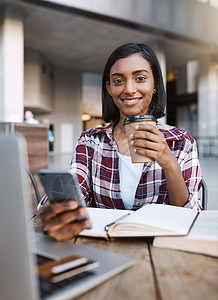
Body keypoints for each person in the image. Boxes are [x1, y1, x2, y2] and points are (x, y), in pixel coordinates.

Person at [41, 43, 203, 241]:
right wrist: (59, 207)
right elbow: (75, 189)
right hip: (103, 244)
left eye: (140, 78)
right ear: (109, 88)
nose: (129, 89)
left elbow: (191, 215)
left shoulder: (181, 142)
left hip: (160, 247)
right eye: (118, 81)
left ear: (154, 85)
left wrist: (169, 163)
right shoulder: (91, 141)